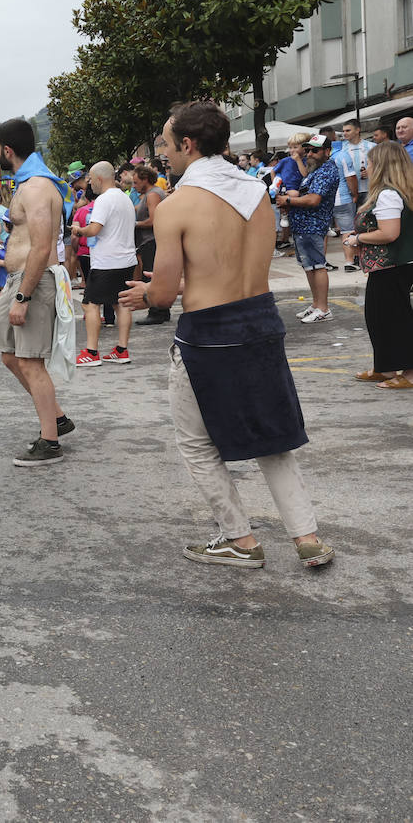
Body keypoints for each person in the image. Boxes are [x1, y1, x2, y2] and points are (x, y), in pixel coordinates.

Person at [119, 100, 334, 571]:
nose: (163, 152)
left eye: (165, 143)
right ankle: (307, 537)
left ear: (188, 144)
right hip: (259, 321)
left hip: (209, 334)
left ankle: (241, 539)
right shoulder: (255, 191)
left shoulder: (177, 206)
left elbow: (161, 295)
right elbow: (230, 266)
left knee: (196, 442)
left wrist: (148, 293)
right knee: (273, 438)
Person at [0, 118, 74, 466]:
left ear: (7, 150)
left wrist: (24, 297)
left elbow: (41, 247)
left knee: (29, 361)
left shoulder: (37, 187)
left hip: (32, 281)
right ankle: (55, 417)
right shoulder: (28, 184)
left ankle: (50, 441)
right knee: (10, 355)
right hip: (18, 279)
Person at [343, 141, 413, 388]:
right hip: (390, 265)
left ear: (381, 165)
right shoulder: (392, 193)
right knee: (380, 317)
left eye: (369, 162)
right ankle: (386, 367)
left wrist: (357, 238)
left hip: (392, 264)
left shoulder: (388, 194)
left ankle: (409, 373)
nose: (366, 167)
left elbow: (390, 233)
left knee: (393, 318)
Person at [72, 162, 136, 366]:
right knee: (121, 304)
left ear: (100, 179)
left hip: (107, 261)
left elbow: (94, 229)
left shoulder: (104, 200)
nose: (89, 183)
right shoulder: (124, 198)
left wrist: (79, 230)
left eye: (90, 179)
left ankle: (91, 352)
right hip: (126, 259)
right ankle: (122, 349)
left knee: (89, 304)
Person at [276, 135, 340, 323]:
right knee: (309, 266)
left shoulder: (326, 170)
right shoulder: (315, 169)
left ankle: (323, 308)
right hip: (304, 225)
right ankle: (316, 305)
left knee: (317, 266)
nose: (310, 153)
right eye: (308, 150)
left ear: (327, 151)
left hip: (312, 225)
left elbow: (314, 199)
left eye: (315, 150)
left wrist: (288, 200)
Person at [132, 165, 170, 325]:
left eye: (136, 182)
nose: (134, 186)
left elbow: (153, 220)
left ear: (145, 179)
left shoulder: (153, 194)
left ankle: (156, 311)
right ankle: (162, 310)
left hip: (151, 241)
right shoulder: (150, 194)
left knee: (151, 276)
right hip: (151, 241)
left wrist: (134, 224)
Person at [336, 119, 374, 272]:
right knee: (352, 225)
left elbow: (380, 167)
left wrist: (370, 172)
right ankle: (354, 257)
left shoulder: (371, 147)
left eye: (348, 130)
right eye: (343, 131)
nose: (345, 134)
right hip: (350, 193)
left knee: (368, 223)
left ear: (358, 130)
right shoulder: (340, 150)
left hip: (368, 189)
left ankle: (366, 254)